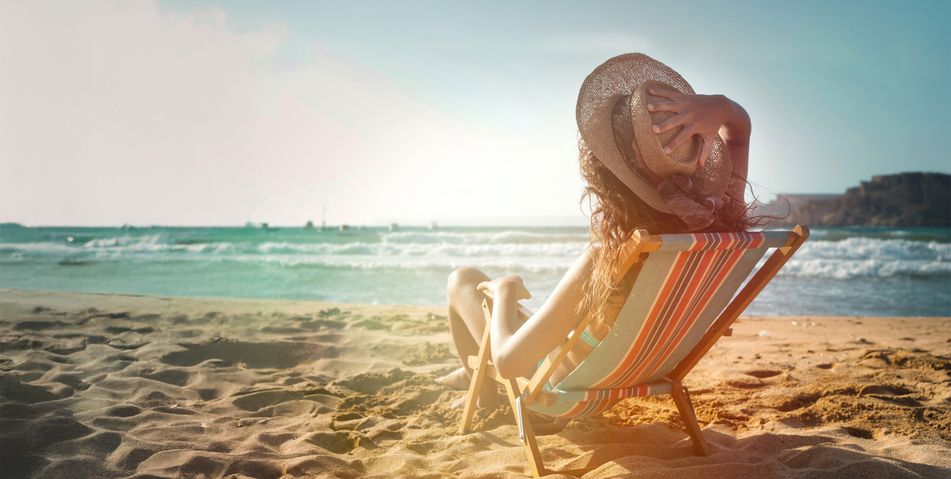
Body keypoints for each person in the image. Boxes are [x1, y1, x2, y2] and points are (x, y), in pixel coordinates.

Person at [438, 53, 757, 407]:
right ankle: (470, 376)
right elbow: (739, 137)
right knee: (541, 323)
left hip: (559, 390)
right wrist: (722, 107)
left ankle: (481, 390)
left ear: (611, 168)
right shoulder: (718, 225)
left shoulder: (616, 255)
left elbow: (510, 362)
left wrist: (505, 292)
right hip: (631, 377)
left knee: (463, 280)